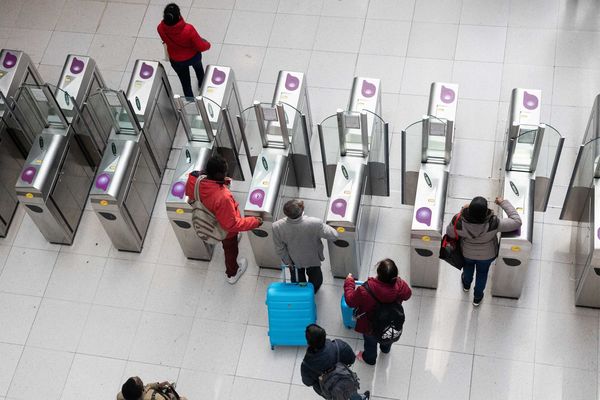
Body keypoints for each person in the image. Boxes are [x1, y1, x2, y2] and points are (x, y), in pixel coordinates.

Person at [196, 155, 262, 284]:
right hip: (225, 229)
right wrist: (255, 222)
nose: (227, 172)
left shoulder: (197, 179)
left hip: (211, 218)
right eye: (225, 171)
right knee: (230, 249)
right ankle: (232, 273)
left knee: (228, 240)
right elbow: (231, 225)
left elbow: (195, 193)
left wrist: (222, 183)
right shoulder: (223, 197)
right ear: (219, 174)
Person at [446, 196, 522, 306]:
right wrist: (503, 203)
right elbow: (517, 221)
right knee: (482, 273)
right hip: (487, 255)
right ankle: (477, 297)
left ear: (469, 209)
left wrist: (462, 209)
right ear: (486, 211)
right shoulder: (494, 222)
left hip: (467, 252)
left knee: (468, 267)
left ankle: (466, 285)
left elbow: (450, 234)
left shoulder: (458, 221)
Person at [344, 259, 412, 366]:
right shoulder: (400, 285)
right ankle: (385, 349)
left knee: (370, 343)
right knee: (387, 336)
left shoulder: (365, 290)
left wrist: (349, 282)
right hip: (391, 321)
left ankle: (369, 359)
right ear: (395, 275)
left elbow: (350, 301)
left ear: (378, 273)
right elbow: (408, 295)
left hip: (369, 325)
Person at [272, 199, 339, 293]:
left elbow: (280, 248)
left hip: (294, 260)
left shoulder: (277, 226)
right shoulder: (315, 223)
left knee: (298, 280)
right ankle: (313, 290)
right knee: (315, 279)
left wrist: (289, 262)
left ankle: (302, 292)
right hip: (312, 258)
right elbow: (334, 235)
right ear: (302, 210)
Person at [301, 324, 370, 400]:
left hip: (329, 390)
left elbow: (308, 382)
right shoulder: (339, 346)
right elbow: (352, 359)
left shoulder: (306, 366)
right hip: (345, 380)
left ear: (308, 343)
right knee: (351, 393)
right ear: (325, 336)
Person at [157, 3, 211, 98]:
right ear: (179, 15)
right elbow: (201, 46)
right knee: (199, 69)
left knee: (185, 82)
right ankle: (202, 86)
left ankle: (190, 101)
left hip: (175, 59)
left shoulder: (160, 28)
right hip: (193, 56)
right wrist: (208, 44)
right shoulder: (188, 29)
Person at [117, 377, 187, 400]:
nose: (137, 376)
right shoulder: (155, 397)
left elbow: (147, 386)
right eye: (139, 381)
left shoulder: (121, 395)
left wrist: (157, 385)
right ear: (142, 390)